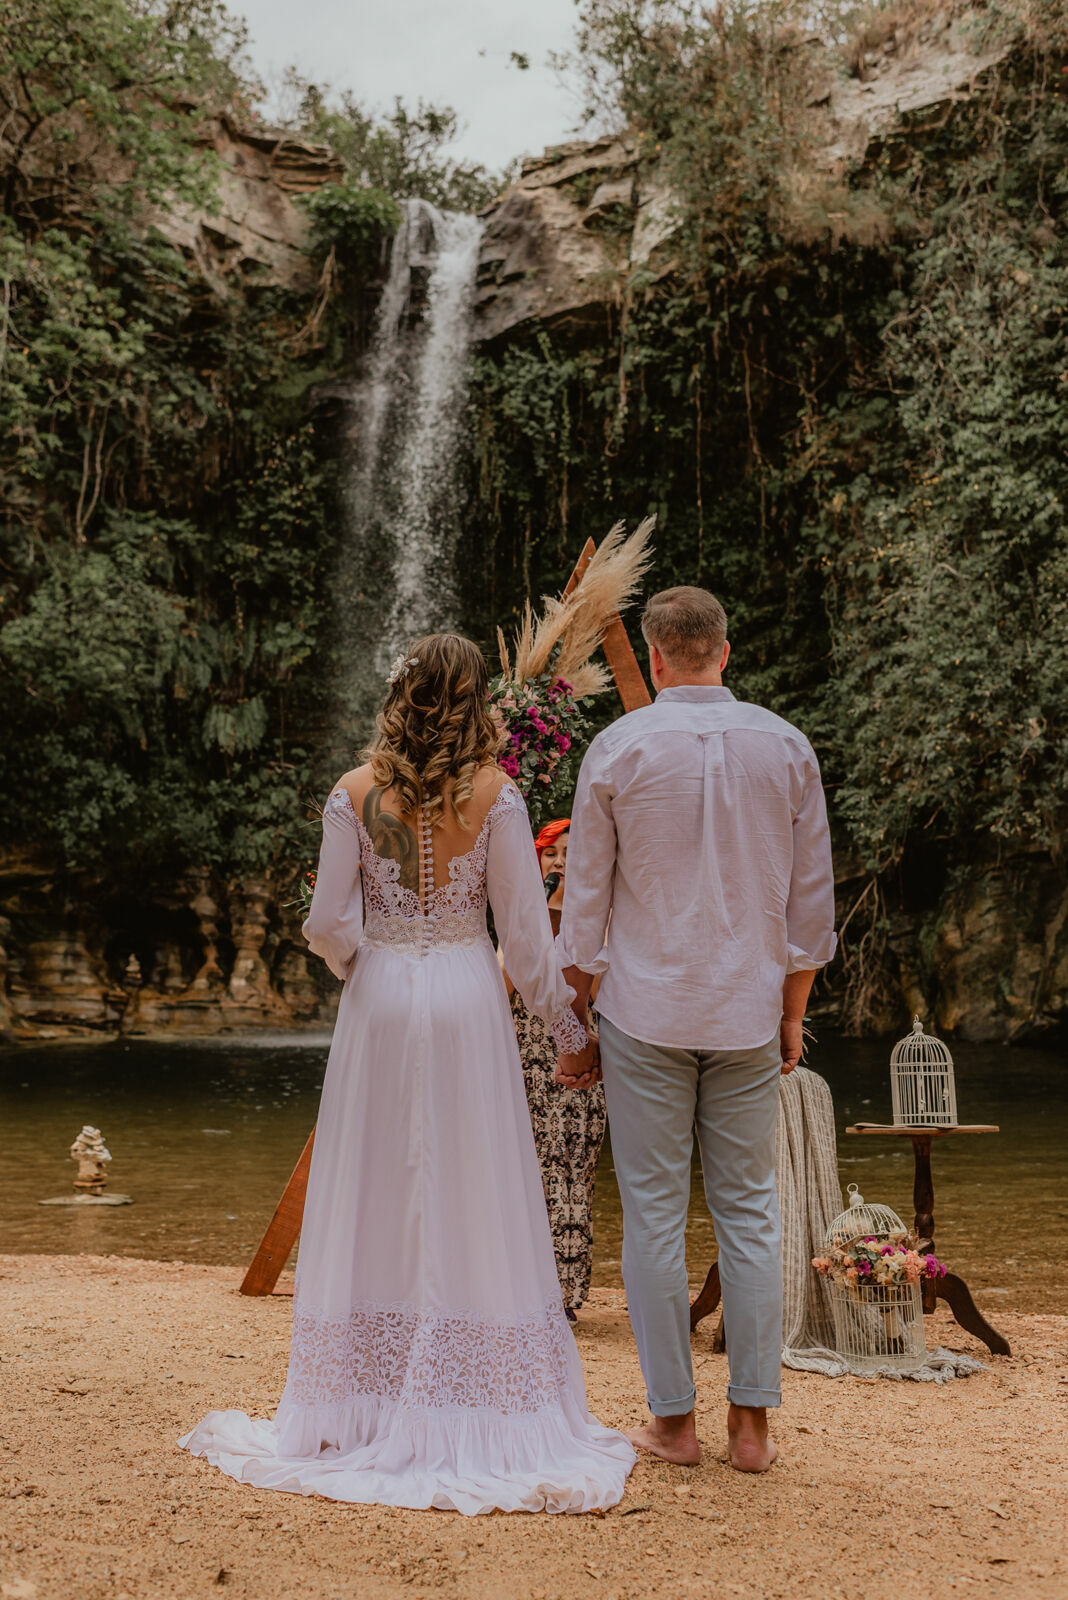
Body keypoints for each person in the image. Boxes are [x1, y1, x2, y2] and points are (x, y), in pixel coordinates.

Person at [180, 634, 634, 1514]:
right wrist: (568, 1029)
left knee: (377, 1184)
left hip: (382, 1000)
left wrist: (369, 966)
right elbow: (525, 940)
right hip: (466, 994)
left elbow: (324, 924)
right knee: (472, 1181)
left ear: (402, 696)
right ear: (476, 702)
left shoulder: (352, 793)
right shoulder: (499, 797)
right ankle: (474, 1395)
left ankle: (363, 1398)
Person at [556, 587, 837, 1473]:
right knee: (750, 1210)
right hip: (748, 1010)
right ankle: (751, 1424)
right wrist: (791, 1014)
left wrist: (576, 1019)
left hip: (645, 1011)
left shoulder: (618, 747)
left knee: (652, 1215)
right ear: (726, 649)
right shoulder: (786, 746)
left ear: (655, 656)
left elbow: (584, 907)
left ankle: (672, 1425)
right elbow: (810, 909)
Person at [501, 817, 607, 1322]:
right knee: (523, 1168)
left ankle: (562, 1295)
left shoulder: (604, 921)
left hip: (581, 1051)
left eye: (570, 854)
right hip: (523, 1055)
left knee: (570, 1170)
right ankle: (516, 1288)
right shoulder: (523, 917)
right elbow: (502, 988)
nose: (560, 862)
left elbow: (601, 993)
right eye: (551, 853)